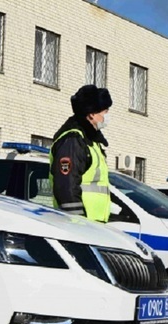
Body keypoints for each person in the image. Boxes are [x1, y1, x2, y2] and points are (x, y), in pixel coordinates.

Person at [49, 84, 112, 222]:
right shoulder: (73, 141)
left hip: (92, 224)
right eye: (105, 112)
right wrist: (78, 224)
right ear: (92, 114)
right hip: (80, 226)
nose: (107, 117)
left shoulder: (90, 141)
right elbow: (66, 187)